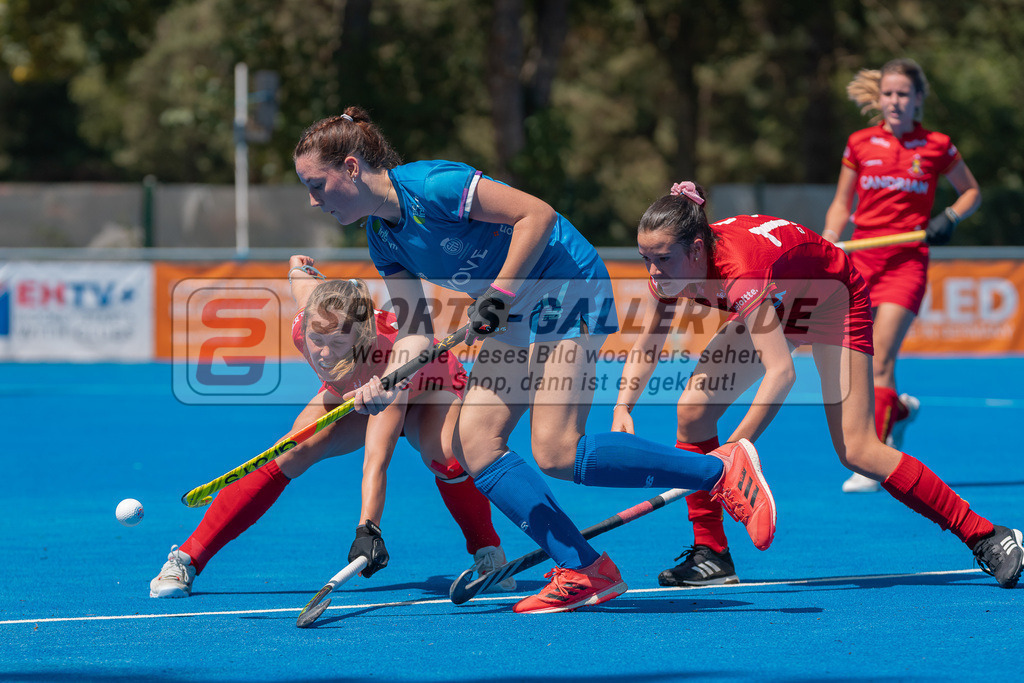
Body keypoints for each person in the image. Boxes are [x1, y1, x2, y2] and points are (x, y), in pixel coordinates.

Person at [293, 108, 777, 614]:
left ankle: (718, 471)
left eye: (317, 185)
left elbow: (538, 215)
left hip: (565, 284)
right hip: (512, 310)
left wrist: (501, 292)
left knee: (557, 450)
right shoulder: (382, 237)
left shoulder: (434, 185)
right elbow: (416, 330)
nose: (313, 200)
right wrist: (387, 383)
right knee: (474, 443)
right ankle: (585, 568)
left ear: (351, 168)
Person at [612, 181, 1022, 590]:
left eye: (662, 259)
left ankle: (987, 535)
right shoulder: (670, 271)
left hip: (833, 302)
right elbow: (649, 343)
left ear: (697, 249)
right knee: (694, 410)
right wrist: (622, 407)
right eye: (645, 258)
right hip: (780, 302)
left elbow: (781, 373)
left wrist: (736, 449)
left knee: (859, 450)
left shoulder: (739, 269)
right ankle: (712, 555)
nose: (653, 271)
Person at [149, 255, 517, 598]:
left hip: (426, 389)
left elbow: (377, 457)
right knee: (290, 452)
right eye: (317, 340)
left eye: (338, 342)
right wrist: (298, 268)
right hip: (353, 390)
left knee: (447, 459)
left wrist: (368, 528)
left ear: (360, 338)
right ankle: (186, 559)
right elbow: (303, 285)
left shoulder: (385, 358)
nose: (324, 353)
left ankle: (488, 551)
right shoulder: (307, 320)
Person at [822, 58, 981, 493]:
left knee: (880, 357)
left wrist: (951, 216)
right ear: (880, 98)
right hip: (861, 261)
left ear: (918, 99)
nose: (895, 101)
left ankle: (869, 458)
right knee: (858, 360)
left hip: (906, 263)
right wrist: (831, 237)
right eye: (888, 93)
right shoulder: (859, 143)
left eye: (903, 94)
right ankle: (899, 413)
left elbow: (971, 191)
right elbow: (842, 203)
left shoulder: (937, 145)